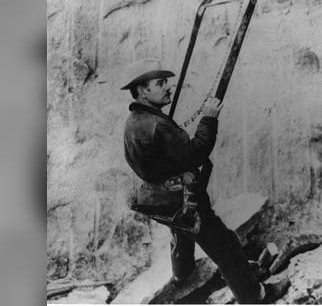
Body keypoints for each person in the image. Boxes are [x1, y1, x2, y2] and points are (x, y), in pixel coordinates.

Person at [121, 58, 290, 304]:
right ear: (143, 90)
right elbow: (196, 153)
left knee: (180, 232)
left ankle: (184, 275)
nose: (168, 86)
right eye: (160, 83)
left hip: (162, 199)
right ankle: (255, 297)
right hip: (184, 201)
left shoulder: (134, 123)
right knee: (227, 247)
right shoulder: (156, 125)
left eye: (166, 81)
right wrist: (209, 118)